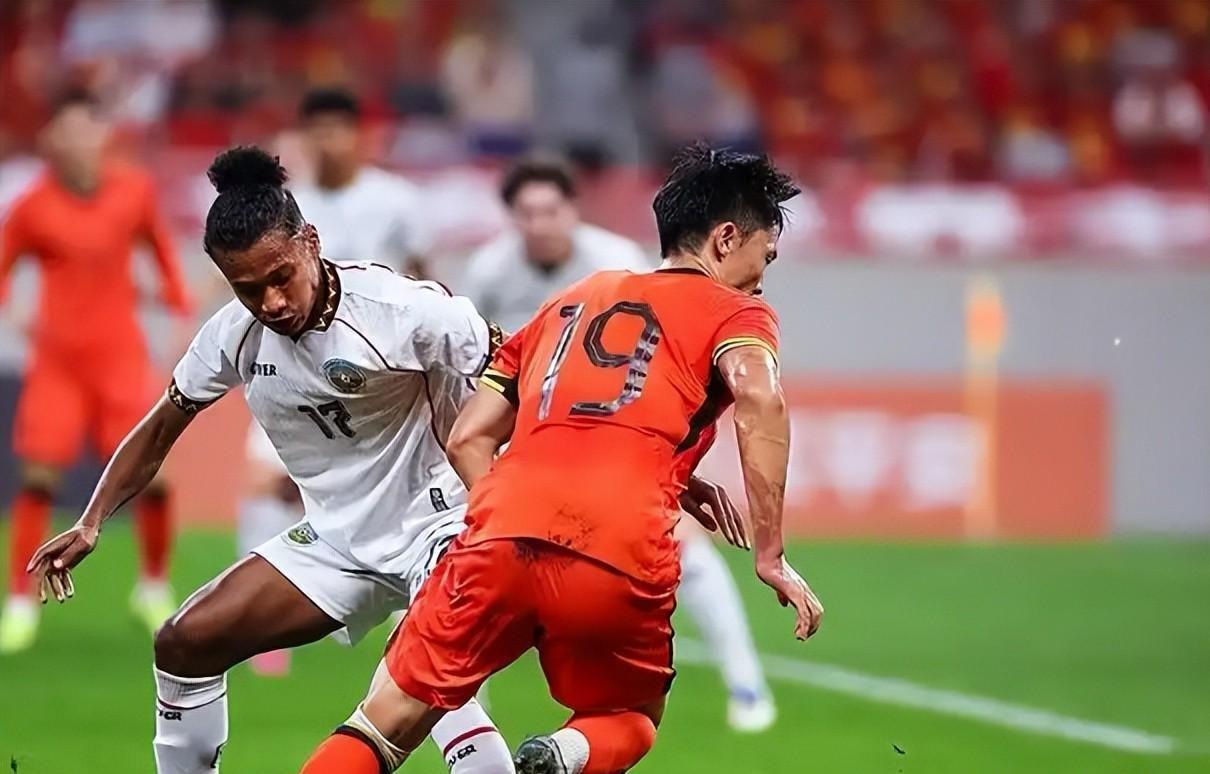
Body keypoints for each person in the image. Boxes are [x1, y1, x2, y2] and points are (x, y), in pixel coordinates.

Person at [299, 145, 824, 773]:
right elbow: (759, 398)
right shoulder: (736, 310)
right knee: (626, 717)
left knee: (384, 722)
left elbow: (468, 437)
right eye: (764, 256)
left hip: (498, 533)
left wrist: (514, 519)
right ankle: (562, 755)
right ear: (727, 238)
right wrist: (770, 554)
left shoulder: (571, 299)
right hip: (616, 546)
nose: (762, 277)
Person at [26, 147, 515, 774]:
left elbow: (516, 371)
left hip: (442, 527)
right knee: (185, 641)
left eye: (281, 277)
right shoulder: (233, 335)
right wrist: (92, 520)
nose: (272, 302)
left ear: (310, 242)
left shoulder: (401, 310)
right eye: (249, 289)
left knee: (425, 675)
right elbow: (160, 426)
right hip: (338, 539)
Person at [463, 155, 778, 731]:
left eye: (550, 210)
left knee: (691, 552)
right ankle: (483, 724)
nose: (539, 224)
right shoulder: (488, 271)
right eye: (527, 213)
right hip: (531, 441)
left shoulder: (613, 264)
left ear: (572, 211)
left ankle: (746, 684)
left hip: (604, 448)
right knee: (463, 580)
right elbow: (483, 371)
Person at [234, 87, 433, 676]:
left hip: (377, 374)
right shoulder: (287, 208)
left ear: (358, 136)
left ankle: (415, 612)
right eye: (316, 130)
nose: (327, 141)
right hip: (293, 367)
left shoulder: (396, 201)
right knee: (267, 483)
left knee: (403, 491)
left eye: (337, 129)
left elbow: (421, 278)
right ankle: (263, 633)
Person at [0, 89, 193, 653]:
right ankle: (19, 601)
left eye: (87, 129)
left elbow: (161, 249)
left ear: (102, 135)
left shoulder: (133, 191)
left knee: (154, 477)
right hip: (57, 364)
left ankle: (152, 586)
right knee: (38, 478)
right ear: (52, 140)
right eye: (67, 130)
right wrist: (13, 312)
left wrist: (179, 309)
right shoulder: (33, 206)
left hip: (119, 359)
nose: (78, 141)